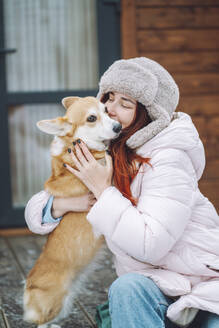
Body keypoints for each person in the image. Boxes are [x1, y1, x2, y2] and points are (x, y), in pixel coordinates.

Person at [25, 57, 219, 328]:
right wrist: (67, 203)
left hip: (200, 283)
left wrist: (103, 191)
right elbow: (35, 212)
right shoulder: (113, 149)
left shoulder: (169, 158)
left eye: (125, 103)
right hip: (153, 283)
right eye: (109, 97)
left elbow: (149, 246)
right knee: (125, 290)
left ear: (147, 114)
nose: (110, 109)